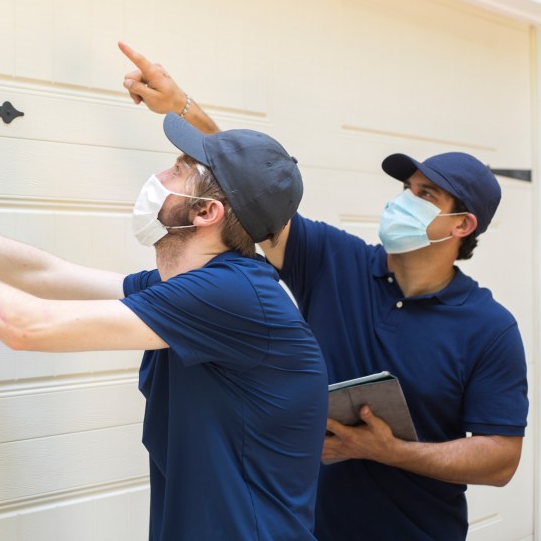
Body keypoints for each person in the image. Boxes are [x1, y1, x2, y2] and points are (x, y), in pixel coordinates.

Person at [119, 41, 529, 541]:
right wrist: (183, 107)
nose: (405, 201)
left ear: (462, 224)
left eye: (426, 196)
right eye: (406, 189)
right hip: (312, 527)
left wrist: (387, 450)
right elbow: (254, 187)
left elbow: (501, 458)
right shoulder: (338, 262)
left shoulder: (488, 327)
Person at [0, 123, 328, 540]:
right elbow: (42, 274)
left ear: (206, 212)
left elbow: (26, 326)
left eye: (179, 169)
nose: (160, 178)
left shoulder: (232, 295)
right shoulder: (198, 287)